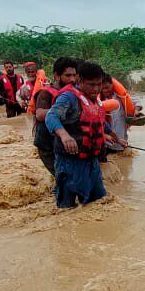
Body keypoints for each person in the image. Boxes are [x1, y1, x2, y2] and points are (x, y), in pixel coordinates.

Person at [45, 60, 108, 208]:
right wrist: (64, 135)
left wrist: (115, 137)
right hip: (69, 161)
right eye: (92, 84)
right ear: (80, 80)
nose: (96, 89)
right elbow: (51, 116)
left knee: (97, 202)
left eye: (99, 84)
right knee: (66, 207)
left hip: (91, 161)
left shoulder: (94, 99)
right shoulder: (69, 98)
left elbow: (99, 121)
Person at [33, 57, 78, 176]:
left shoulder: (74, 93)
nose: (72, 79)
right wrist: (62, 111)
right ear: (57, 76)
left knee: (69, 174)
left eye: (74, 75)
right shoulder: (46, 93)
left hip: (62, 142)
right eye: (68, 76)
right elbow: (40, 114)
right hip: (47, 144)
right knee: (61, 175)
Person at [99, 75, 137, 152]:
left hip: (121, 140)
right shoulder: (97, 102)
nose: (105, 90)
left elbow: (136, 103)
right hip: (105, 142)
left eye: (107, 87)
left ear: (112, 85)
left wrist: (136, 111)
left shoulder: (121, 97)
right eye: (102, 88)